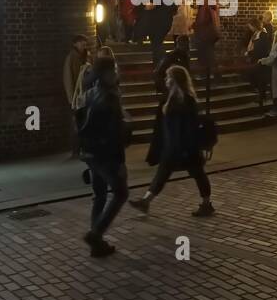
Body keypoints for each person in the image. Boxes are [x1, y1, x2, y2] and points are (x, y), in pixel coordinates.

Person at [130, 65, 215, 217]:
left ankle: (206, 203)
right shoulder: (171, 98)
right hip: (173, 146)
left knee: (198, 174)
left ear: (175, 80)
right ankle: (146, 201)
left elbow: (187, 127)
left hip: (184, 147)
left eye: (168, 77)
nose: (166, 80)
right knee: (163, 173)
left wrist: (184, 146)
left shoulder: (184, 100)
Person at [78, 57, 130, 257]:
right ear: (106, 73)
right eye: (114, 70)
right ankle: (95, 233)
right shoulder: (111, 97)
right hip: (106, 154)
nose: (116, 73)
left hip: (91, 151)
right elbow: (115, 133)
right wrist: (121, 162)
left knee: (99, 195)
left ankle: (96, 242)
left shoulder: (90, 93)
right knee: (121, 192)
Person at [63, 35, 91, 156]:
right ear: (75, 44)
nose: (84, 45)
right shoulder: (72, 58)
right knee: (76, 122)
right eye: (81, 43)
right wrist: (71, 98)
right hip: (76, 96)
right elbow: (68, 79)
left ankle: (83, 147)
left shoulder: (86, 57)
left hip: (84, 95)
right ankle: (76, 148)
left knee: (84, 121)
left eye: (85, 43)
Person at [246, 16, 274, 107]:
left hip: (260, 59)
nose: (250, 28)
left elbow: (261, 48)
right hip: (256, 59)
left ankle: (261, 97)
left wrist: (251, 53)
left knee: (261, 79)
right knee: (259, 79)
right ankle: (261, 96)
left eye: (250, 26)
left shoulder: (262, 34)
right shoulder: (257, 33)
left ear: (254, 25)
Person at [192, 0, 221, 76]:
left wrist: (193, 25)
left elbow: (202, 21)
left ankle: (206, 74)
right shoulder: (212, 6)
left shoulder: (204, 7)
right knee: (210, 55)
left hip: (204, 35)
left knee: (204, 56)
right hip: (211, 34)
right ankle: (215, 74)